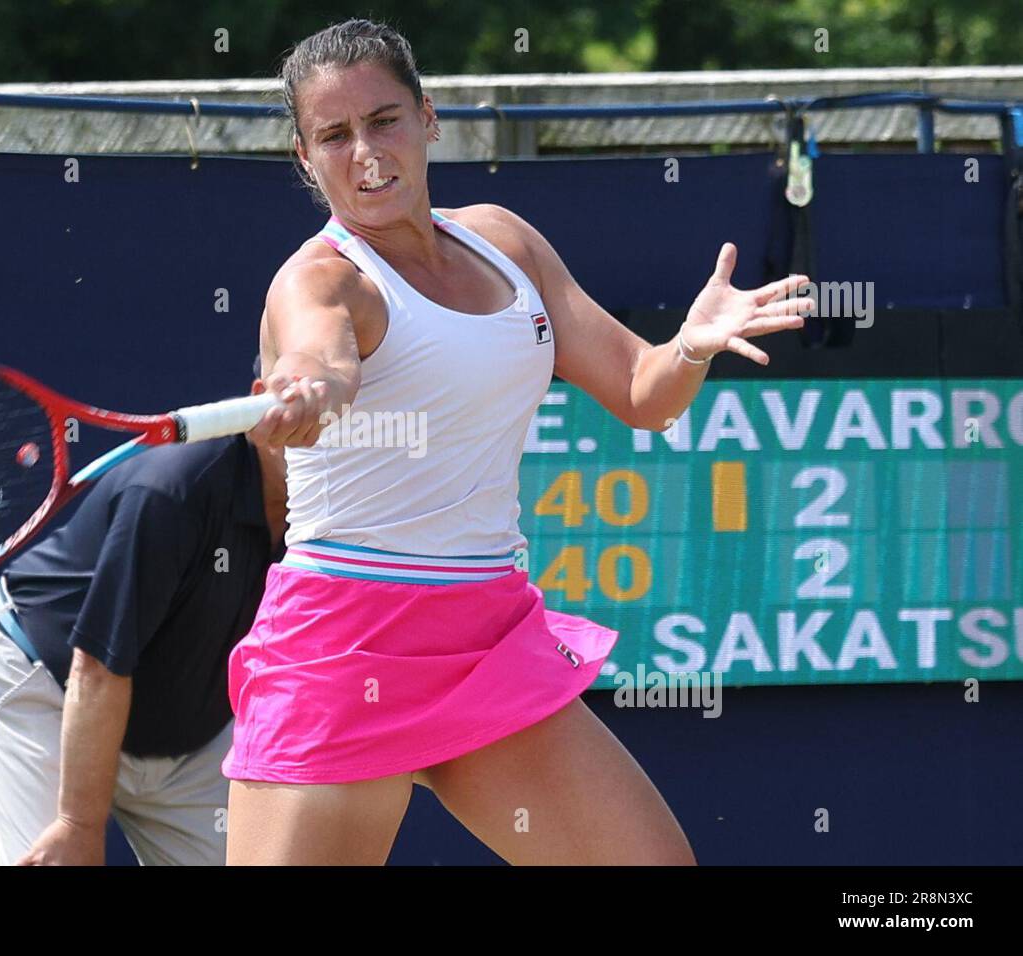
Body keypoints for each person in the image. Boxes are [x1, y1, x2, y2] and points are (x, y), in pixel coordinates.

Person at [224, 18, 815, 865]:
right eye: (334, 135)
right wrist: (314, 384)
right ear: (305, 157)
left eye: (384, 120)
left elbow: (644, 395)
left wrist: (689, 345)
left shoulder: (506, 243)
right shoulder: (320, 278)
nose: (365, 152)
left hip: (486, 634)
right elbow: (323, 356)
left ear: (429, 117)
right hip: (345, 641)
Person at [0, 359, 288, 865]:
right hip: (45, 679)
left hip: (185, 734)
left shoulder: (351, 513)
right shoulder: (172, 488)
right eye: (313, 405)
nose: (332, 430)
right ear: (260, 399)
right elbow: (98, 665)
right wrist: (78, 823)